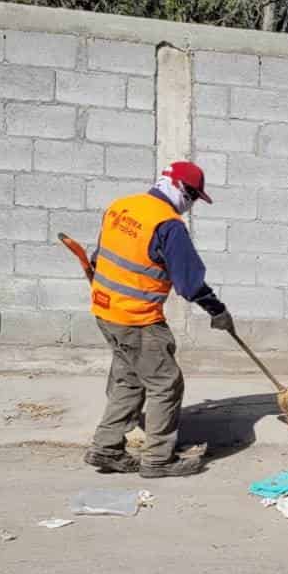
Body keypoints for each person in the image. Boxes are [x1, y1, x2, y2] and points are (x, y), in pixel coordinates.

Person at [85, 161, 235, 479]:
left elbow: (99, 257)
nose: (191, 205)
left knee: (129, 379)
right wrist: (217, 310)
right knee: (165, 384)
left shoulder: (121, 206)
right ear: (180, 188)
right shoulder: (168, 225)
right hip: (137, 319)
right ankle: (157, 460)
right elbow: (190, 282)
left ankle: (106, 448)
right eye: (193, 196)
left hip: (105, 311)